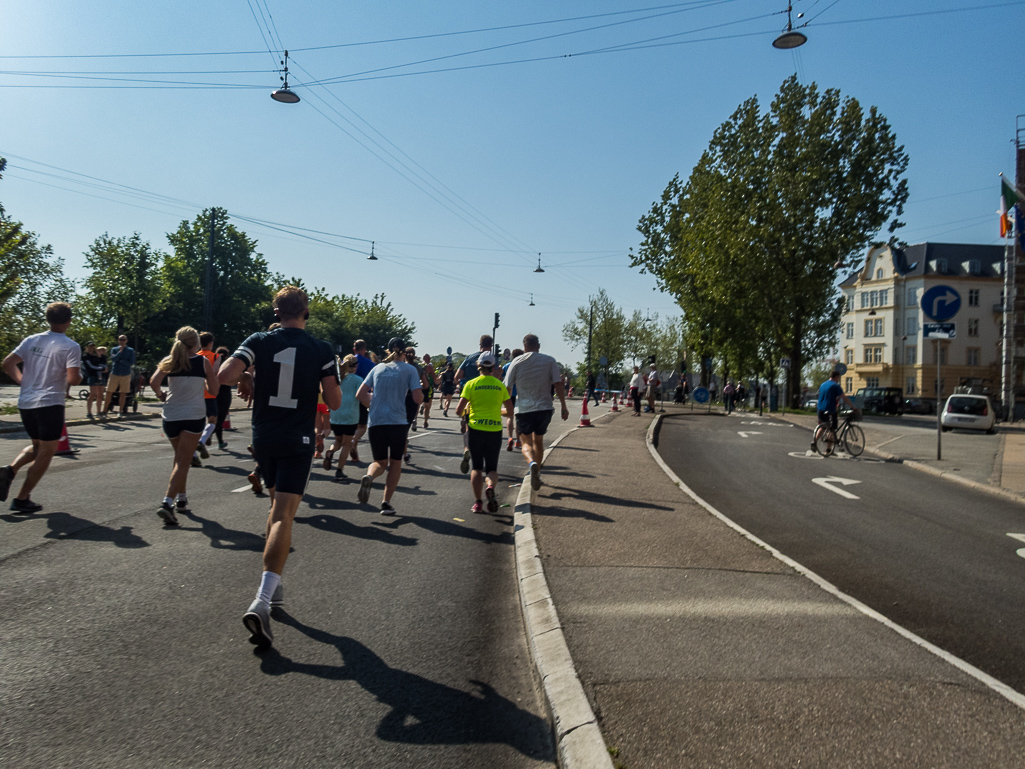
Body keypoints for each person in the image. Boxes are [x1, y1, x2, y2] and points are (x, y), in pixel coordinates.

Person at [218, 286, 341, 649]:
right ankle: (261, 599)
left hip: (264, 437)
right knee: (283, 516)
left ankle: (276, 588)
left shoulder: (260, 340)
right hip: (297, 439)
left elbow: (224, 374)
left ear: (276, 311)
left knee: (275, 513)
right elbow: (333, 400)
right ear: (306, 311)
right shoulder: (321, 349)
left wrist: (246, 377)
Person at [0, 302, 82, 513]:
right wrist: (80, 376)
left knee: (37, 446)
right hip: (49, 402)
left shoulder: (32, 339)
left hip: (26, 402)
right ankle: (22, 498)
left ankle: (9, 471)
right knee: (48, 450)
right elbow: (73, 378)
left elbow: (7, 363)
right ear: (68, 321)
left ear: (48, 319)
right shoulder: (70, 346)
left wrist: (23, 381)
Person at [149, 327, 219, 526]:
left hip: (171, 416)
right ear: (195, 343)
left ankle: (182, 498)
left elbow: (154, 382)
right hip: (193, 416)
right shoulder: (202, 362)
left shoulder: (170, 361)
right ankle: (167, 503)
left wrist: (161, 395)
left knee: (181, 459)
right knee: (183, 461)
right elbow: (213, 390)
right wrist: (203, 384)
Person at [355, 337, 423, 515]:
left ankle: (369, 476)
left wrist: (373, 403)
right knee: (395, 463)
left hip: (376, 421)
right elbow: (417, 398)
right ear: (404, 352)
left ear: (387, 351)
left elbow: (360, 394)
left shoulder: (377, 368)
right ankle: (386, 502)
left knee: (379, 461)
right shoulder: (409, 370)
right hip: (398, 422)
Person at [504, 333, 569, 491]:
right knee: (538, 441)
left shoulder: (516, 362)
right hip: (544, 407)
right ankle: (537, 472)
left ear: (524, 346)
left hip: (524, 408)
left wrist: (506, 406)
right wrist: (563, 406)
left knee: (526, 442)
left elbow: (507, 386)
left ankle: (531, 464)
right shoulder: (549, 361)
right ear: (538, 346)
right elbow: (558, 384)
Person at [456, 352, 512, 513]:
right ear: (493, 367)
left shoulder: (471, 384)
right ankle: (490, 486)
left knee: (477, 468)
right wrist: (497, 411)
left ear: (478, 367)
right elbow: (509, 412)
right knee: (492, 469)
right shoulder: (500, 385)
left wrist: (468, 412)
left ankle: (478, 502)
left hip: (475, 429)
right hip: (494, 429)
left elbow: (458, 410)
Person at [454, 335, 494, 473]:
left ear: (480, 344)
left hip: (468, 394)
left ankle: (466, 449)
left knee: (467, 425)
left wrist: (467, 379)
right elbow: (497, 377)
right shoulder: (492, 359)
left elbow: (456, 377)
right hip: (485, 395)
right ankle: (480, 458)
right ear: (492, 345)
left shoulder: (469, 358)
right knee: (482, 427)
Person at [323, 354, 362, 482]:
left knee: (338, 440)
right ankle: (339, 470)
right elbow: (361, 396)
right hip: (350, 416)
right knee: (346, 444)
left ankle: (330, 451)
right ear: (355, 366)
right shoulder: (357, 380)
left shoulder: (338, 378)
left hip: (336, 414)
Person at [812, 369, 857, 452]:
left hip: (820, 408)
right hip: (830, 409)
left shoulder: (823, 384)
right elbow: (844, 398)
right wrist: (853, 407)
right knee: (832, 429)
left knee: (823, 427)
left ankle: (814, 441)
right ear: (836, 377)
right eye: (838, 378)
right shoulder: (835, 385)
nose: (838, 379)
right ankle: (828, 449)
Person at [193, 332, 219, 463]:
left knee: (197, 424)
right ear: (210, 344)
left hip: (196, 393)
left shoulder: (195, 356)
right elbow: (215, 374)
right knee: (212, 420)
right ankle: (202, 442)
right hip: (209, 393)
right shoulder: (215, 356)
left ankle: (193, 455)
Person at [349, 339, 375, 464]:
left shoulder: (348, 361)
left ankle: (354, 454)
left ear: (354, 349)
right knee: (362, 426)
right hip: (363, 397)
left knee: (352, 426)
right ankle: (354, 441)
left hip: (347, 397)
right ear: (364, 349)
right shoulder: (369, 364)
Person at [101, 333, 135, 418]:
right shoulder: (114, 349)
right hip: (114, 373)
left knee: (122, 393)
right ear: (118, 341)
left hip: (125, 374)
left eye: (124, 339)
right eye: (120, 339)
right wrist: (120, 352)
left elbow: (130, 362)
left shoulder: (130, 350)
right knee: (109, 392)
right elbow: (113, 359)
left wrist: (121, 361)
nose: (122, 341)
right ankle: (104, 410)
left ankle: (120, 411)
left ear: (126, 341)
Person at [212, 346, 234, 449]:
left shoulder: (211, 362)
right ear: (227, 356)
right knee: (220, 419)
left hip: (212, 393)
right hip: (224, 393)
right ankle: (203, 438)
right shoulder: (227, 365)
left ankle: (220, 441)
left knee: (214, 419)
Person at [503, 348, 523, 451]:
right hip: (520, 394)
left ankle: (510, 437)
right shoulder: (523, 366)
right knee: (518, 418)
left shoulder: (507, 366)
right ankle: (518, 441)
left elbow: (501, 378)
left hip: (509, 394)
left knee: (509, 416)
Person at [81, 341, 107, 418]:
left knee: (100, 395)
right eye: (90, 346)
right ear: (86, 347)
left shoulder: (95, 356)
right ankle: (89, 412)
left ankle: (99, 412)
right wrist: (102, 368)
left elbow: (102, 360)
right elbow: (90, 366)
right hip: (93, 376)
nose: (91, 347)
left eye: (93, 346)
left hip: (100, 376)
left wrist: (97, 351)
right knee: (93, 394)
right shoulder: (85, 356)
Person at [420, 353, 438, 429]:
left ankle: (415, 420)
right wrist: (439, 379)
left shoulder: (419, 366)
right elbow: (435, 378)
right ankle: (425, 422)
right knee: (428, 405)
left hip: (418, 386)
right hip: (428, 386)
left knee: (417, 403)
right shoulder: (429, 367)